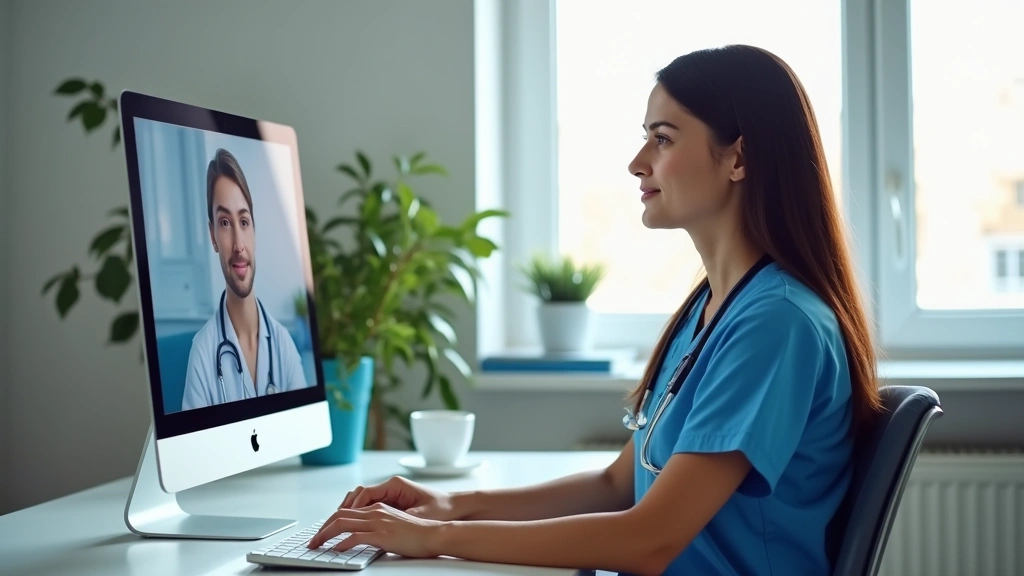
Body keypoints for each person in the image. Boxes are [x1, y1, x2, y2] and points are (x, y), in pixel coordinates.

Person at [305, 44, 883, 575]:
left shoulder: (776, 323)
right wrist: (452, 505)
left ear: (737, 158)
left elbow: (649, 540)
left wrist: (434, 537)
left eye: (662, 139)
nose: (637, 162)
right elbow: (616, 485)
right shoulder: (714, 307)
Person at [181, 148, 309, 411]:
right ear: (213, 236)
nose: (239, 245)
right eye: (225, 223)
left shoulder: (283, 345)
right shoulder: (203, 354)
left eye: (244, 221)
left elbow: (304, 432)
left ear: (254, 229)